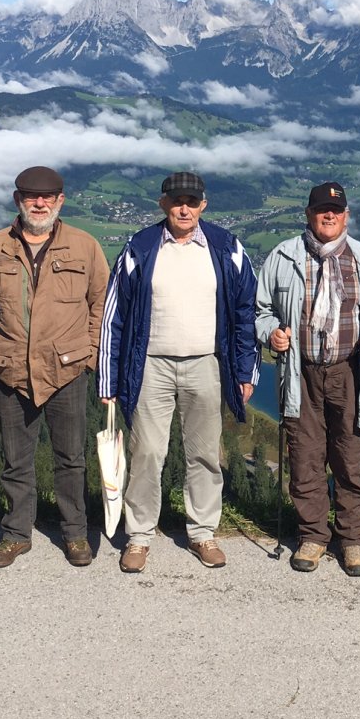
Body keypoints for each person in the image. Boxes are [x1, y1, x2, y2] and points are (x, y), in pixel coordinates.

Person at [98, 171, 258, 573]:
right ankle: (138, 536)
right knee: (147, 452)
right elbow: (114, 316)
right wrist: (109, 377)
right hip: (150, 363)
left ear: (204, 205)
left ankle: (203, 532)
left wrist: (246, 371)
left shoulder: (227, 247)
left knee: (204, 452)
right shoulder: (140, 247)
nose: (183, 208)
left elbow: (245, 313)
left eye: (191, 201)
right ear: (163, 204)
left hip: (208, 362)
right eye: (176, 201)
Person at [255, 183, 360, 576]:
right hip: (299, 371)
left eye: (335, 210)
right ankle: (313, 535)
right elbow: (260, 309)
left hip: (349, 371)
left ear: (346, 215)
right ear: (308, 214)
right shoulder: (283, 257)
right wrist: (270, 332)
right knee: (304, 455)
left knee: (350, 455)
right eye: (322, 209)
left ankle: (353, 539)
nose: (329, 216)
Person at [0, 166, 108, 570]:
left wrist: (90, 353)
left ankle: (75, 532)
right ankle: (15, 534)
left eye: (47, 197)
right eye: (31, 197)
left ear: (61, 201)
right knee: (16, 458)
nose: (39, 203)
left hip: (66, 370)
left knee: (71, 458)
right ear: (18, 201)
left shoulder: (85, 247)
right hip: (8, 370)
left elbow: (101, 302)